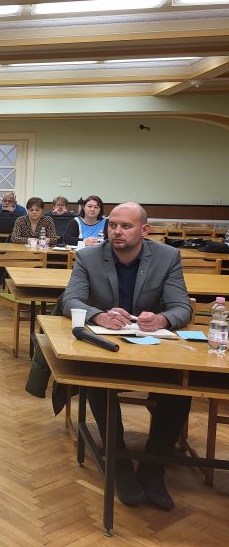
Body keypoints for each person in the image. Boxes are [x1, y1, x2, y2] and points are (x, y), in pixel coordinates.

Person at [61, 202, 192, 511]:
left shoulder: (167, 257)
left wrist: (162, 319)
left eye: (125, 226)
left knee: (181, 387)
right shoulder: (89, 256)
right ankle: (117, 458)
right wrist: (98, 315)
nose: (116, 231)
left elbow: (182, 307)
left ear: (144, 230)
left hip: (153, 347)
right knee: (97, 380)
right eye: (113, 225)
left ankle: (153, 465)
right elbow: (70, 299)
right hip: (108, 346)